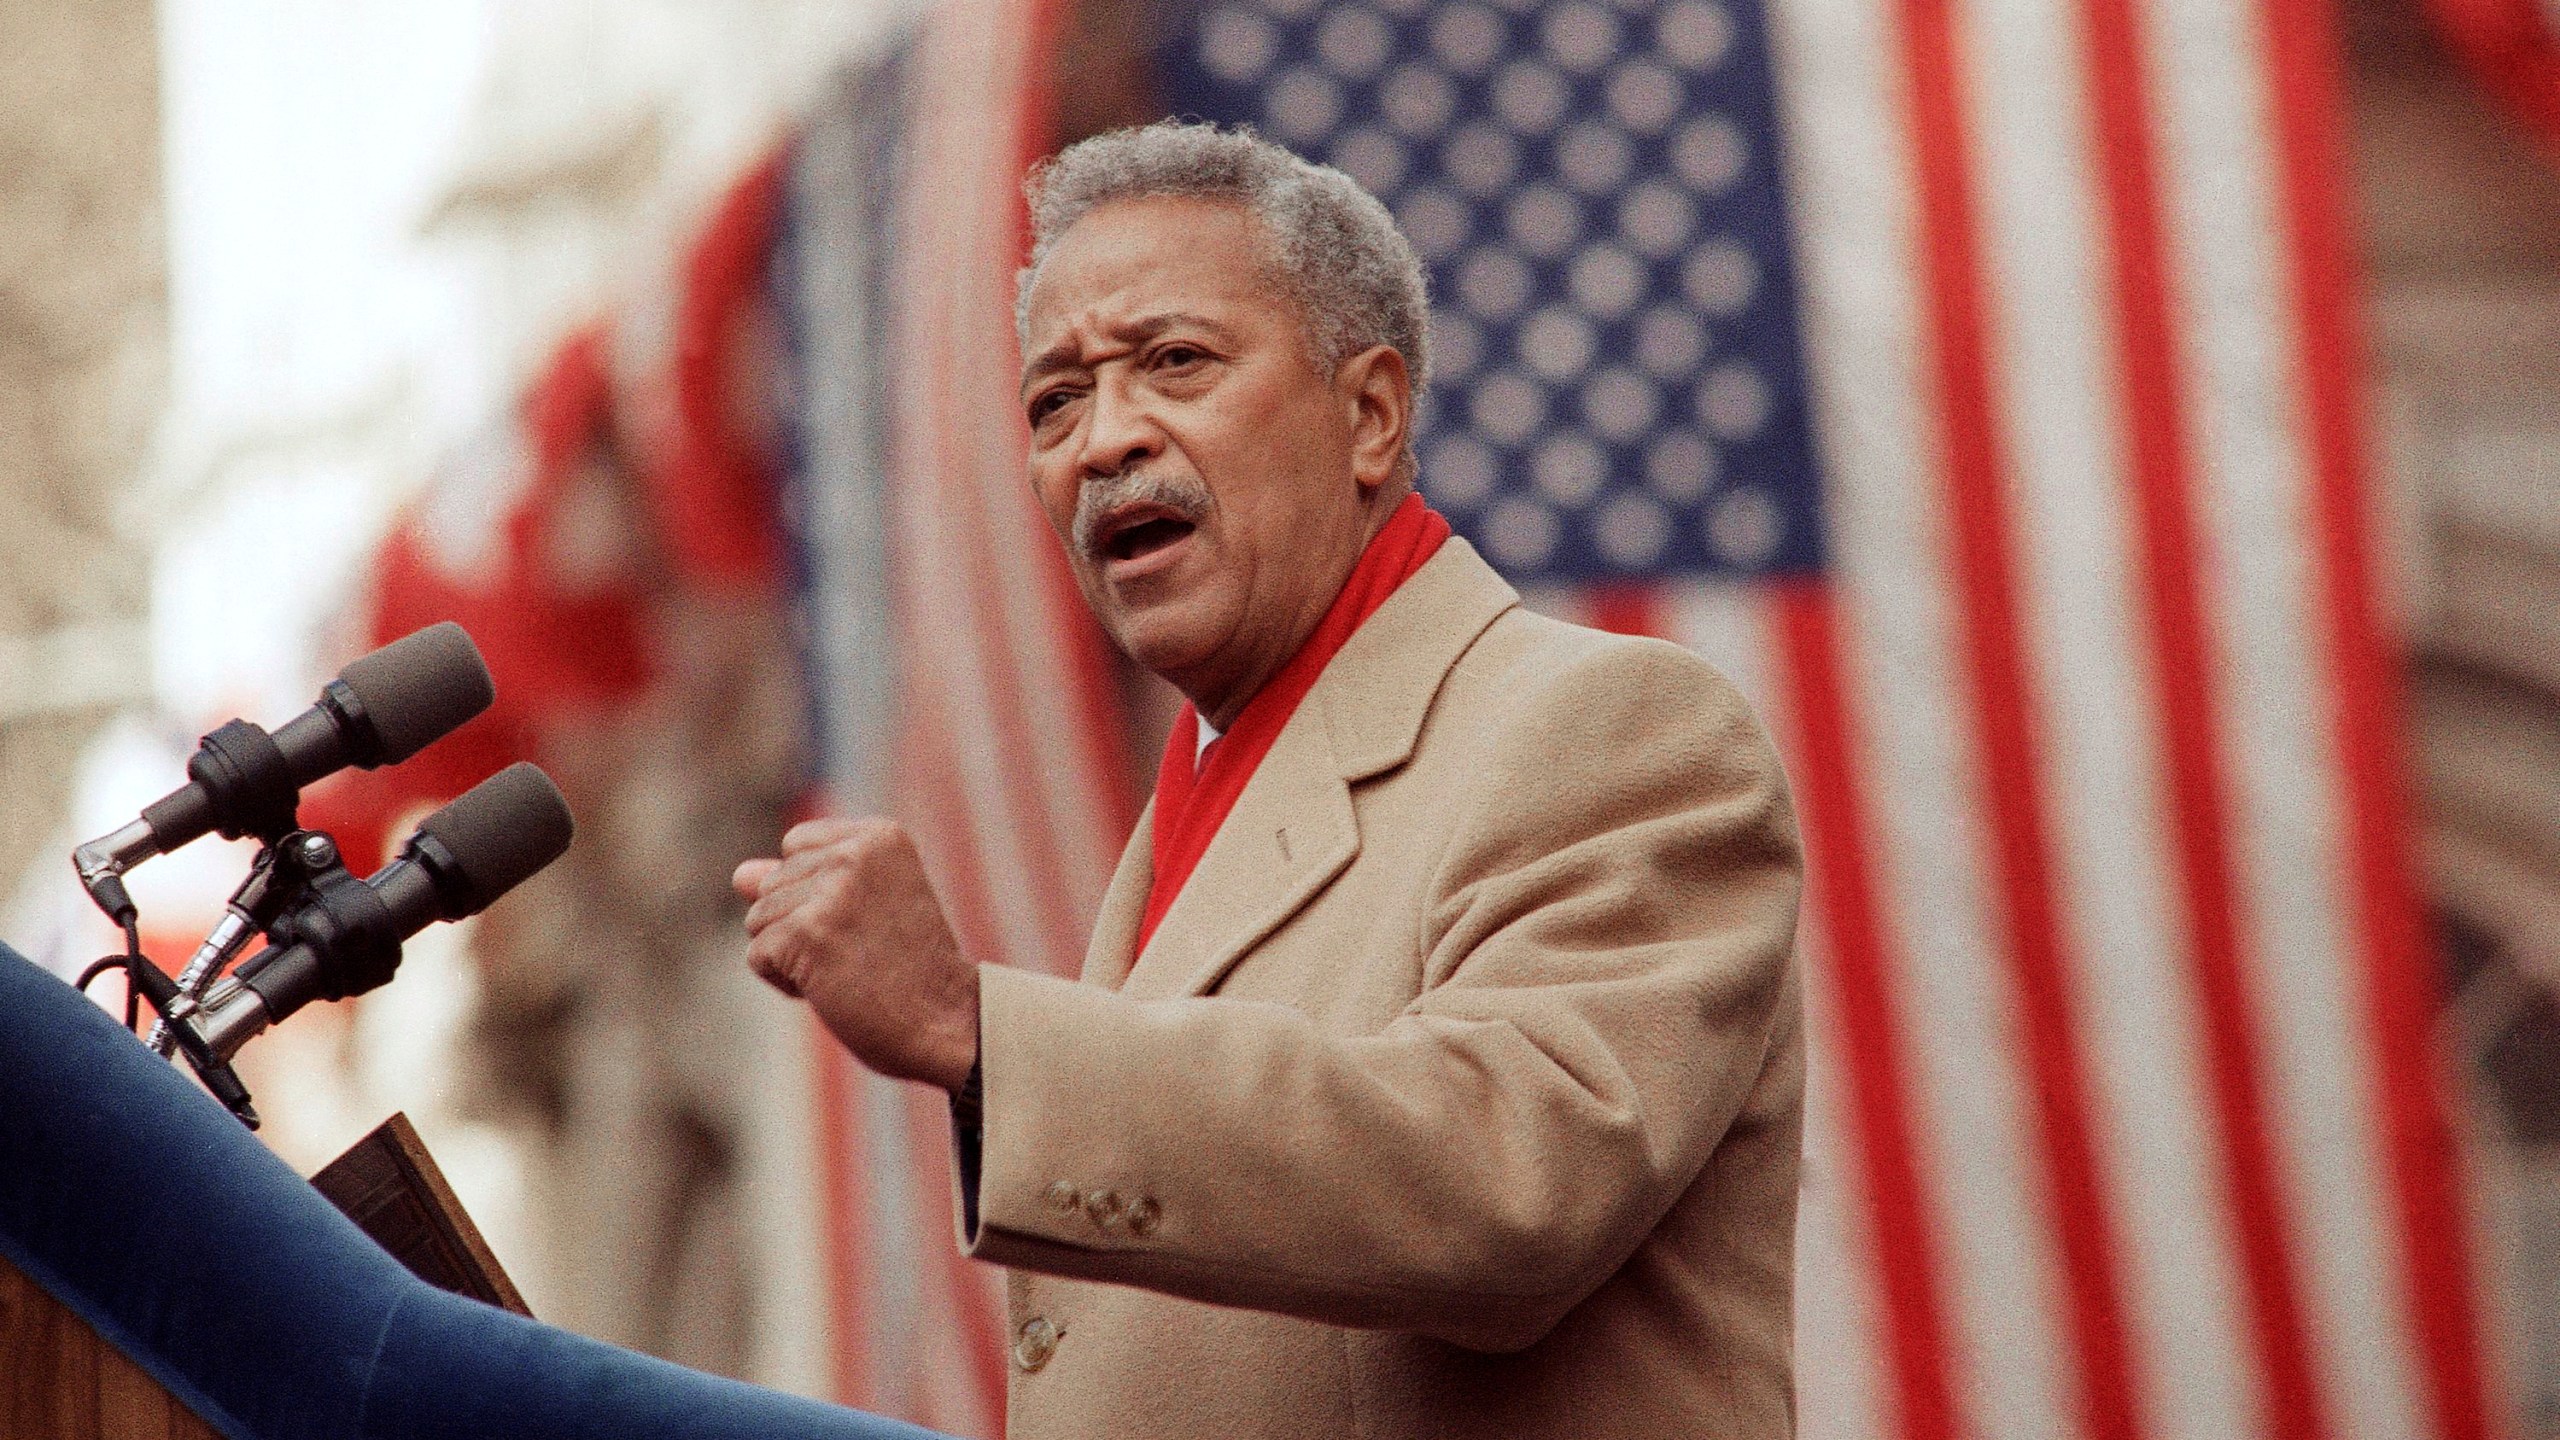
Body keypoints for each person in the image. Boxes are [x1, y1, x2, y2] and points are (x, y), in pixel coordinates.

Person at [733, 121, 1804, 1439]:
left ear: (1369, 415)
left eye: (1174, 362)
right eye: (1054, 401)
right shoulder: (1208, 795)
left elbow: (1506, 1181)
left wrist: (974, 1032)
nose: (1104, 440)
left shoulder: (1611, 726)